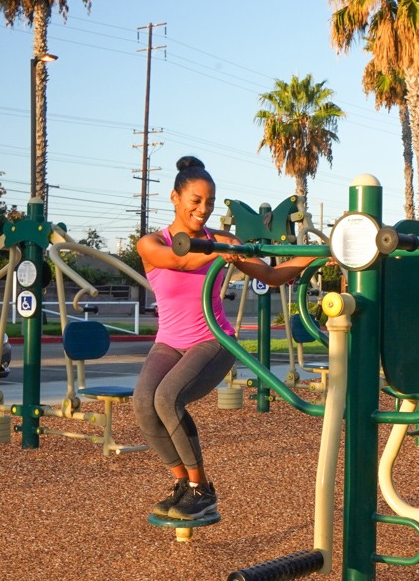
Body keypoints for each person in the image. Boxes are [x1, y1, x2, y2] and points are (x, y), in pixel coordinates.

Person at [134, 156, 314, 522]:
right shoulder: (152, 243)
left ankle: (202, 490)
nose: (203, 209)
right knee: (143, 404)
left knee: (167, 399)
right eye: (196, 200)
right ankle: (183, 484)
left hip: (213, 340)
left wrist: (311, 257)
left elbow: (271, 274)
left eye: (210, 202)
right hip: (169, 342)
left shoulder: (223, 240)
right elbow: (181, 261)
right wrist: (219, 250)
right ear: (175, 197)